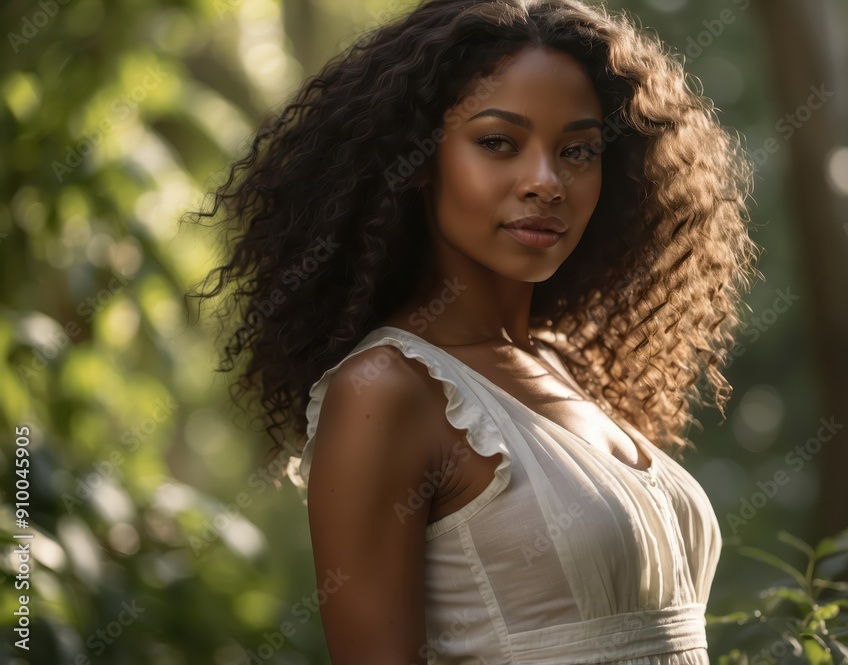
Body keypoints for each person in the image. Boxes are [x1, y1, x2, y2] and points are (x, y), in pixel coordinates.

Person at [187, 0, 759, 662]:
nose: (546, 182)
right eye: (498, 143)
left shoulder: (566, 367)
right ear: (420, 160)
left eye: (578, 150)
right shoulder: (387, 391)